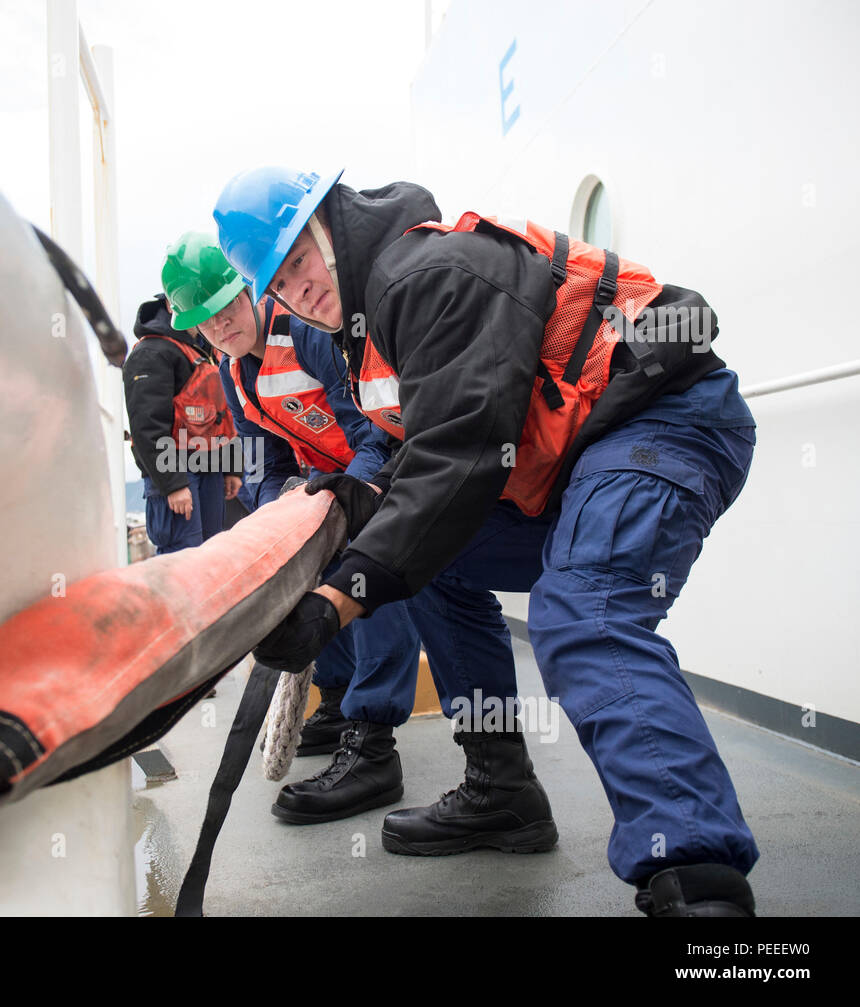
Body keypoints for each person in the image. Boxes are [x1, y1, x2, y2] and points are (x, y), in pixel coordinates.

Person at [214, 167, 759, 917]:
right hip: (579, 461)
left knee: (583, 613)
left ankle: (702, 892)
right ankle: (501, 785)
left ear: (329, 225)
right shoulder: (363, 329)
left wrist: (338, 602)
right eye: (276, 281)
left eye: (298, 260)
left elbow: (463, 455)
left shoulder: (424, 271)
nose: (295, 289)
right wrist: (357, 502)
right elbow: (411, 447)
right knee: (433, 565)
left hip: (664, 418)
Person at [161, 230, 421, 825]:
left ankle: (373, 743)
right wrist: (281, 516)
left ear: (246, 292)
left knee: (366, 580)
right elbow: (262, 461)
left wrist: (353, 495)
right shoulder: (233, 371)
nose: (223, 326)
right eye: (206, 321)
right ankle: (334, 702)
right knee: (306, 578)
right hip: (327, 484)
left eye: (227, 307)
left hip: (381, 474)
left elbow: (371, 427)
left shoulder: (304, 331)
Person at [123, 293, 240, 555]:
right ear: (170, 304)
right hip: (174, 473)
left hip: (209, 468)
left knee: (212, 552)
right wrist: (173, 485)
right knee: (183, 555)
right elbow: (147, 427)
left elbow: (221, 414)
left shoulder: (205, 349)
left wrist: (232, 469)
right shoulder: (151, 353)